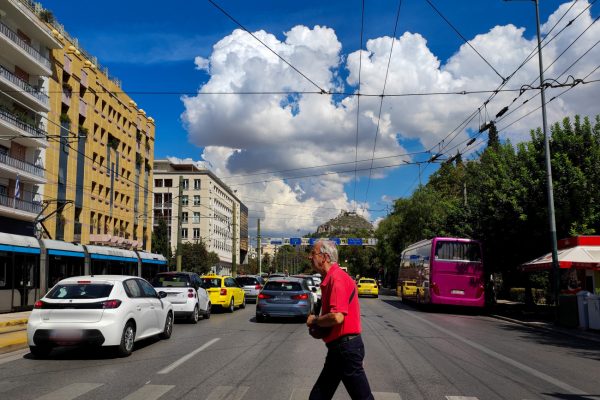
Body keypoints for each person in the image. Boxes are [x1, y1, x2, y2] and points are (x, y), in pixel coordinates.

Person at [306, 239, 374, 400]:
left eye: (313, 253)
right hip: (340, 349)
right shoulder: (331, 278)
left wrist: (315, 320)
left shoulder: (337, 278)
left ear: (325, 257)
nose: (310, 257)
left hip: (346, 350)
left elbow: (337, 317)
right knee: (318, 396)